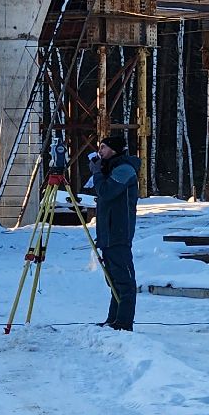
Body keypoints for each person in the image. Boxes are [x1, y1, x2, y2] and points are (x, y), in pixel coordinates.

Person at [87, 133, 140, 331]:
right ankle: (113, 319)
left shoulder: (124, 170)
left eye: (103, 148)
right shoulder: (112, 169)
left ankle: (124, 322)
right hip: (108, 233)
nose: (100, 152)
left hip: (119, 233)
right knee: (114, 280)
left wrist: (97, 173)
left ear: (114, 150)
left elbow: (106, 192)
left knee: (124, 281)